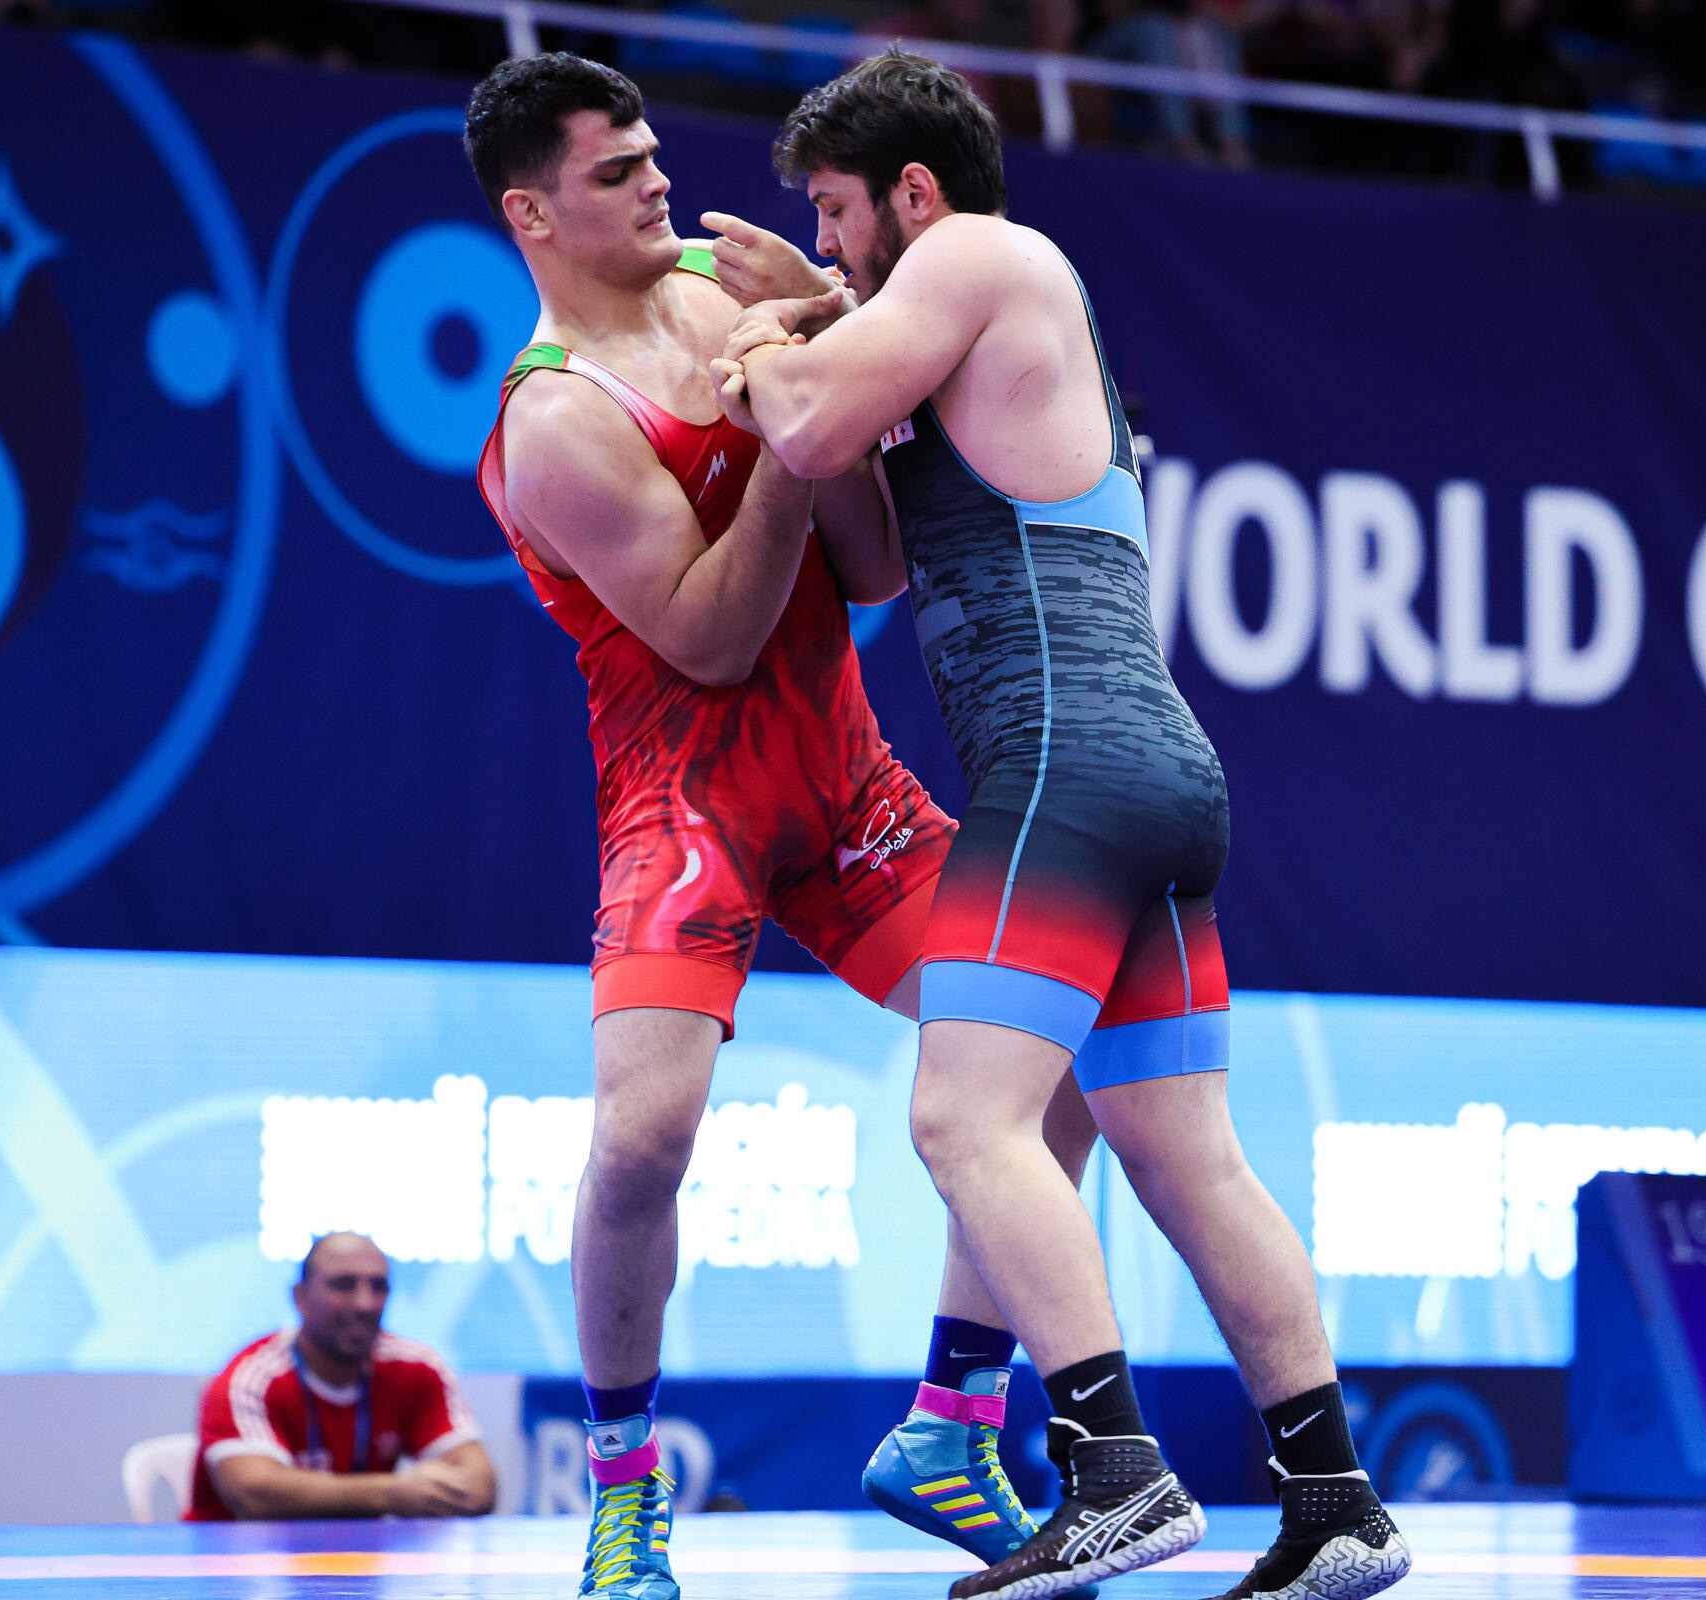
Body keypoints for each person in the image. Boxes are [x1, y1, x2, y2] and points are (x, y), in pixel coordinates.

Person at [714, 49, 1411, 1600]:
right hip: (1147, 775)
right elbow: (871, 552)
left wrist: (763, 337)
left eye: (835, 212)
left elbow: (807, 420)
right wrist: (812, 335)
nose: (825, 245)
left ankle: (1110, 1471)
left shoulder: (978, 252)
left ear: (913, 191)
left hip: (1065, 770)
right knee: (1185, 1154)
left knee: (966, 1122)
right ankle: (1335, 1502)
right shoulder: (958, 313)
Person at [461, 53, 1102, 1600]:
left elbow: (870, 568)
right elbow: (712, 636)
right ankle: (626, 1493)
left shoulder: (724, 287)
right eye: (617, 172)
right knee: (643, 1139)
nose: (661, 184)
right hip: (689, 805)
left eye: (652, 154)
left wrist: (826, 333)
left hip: (849, 786)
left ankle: (953, 1424)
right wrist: (790, 425)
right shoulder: (555, 418)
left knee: (1072, 1060)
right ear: (532, 215)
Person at [186, 1232, 497, 1521]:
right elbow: (254, 1493)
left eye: (378, 1286)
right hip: (238, 1559)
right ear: (300, 1297)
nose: (365, 1303)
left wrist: (434, 1491)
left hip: (364, 1559)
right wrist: (392, 1492)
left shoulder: (417, 1369)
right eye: (344, 1285)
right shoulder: (251, 1378)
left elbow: (480, 1486)